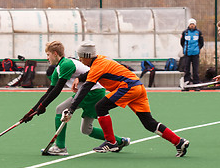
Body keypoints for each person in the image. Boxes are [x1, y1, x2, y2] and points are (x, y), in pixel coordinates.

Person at [61, 41, 189, 157]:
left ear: (86, 56)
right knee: (149, 123)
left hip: (128, 87)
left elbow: (85, 89)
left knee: (100, 107)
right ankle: (179, 142)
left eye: (80, 57)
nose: (80, 59)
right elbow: (90, 74)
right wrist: (80, 78)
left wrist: (71, 110)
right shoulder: (101, 60)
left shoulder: (98, 65)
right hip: (138, 87)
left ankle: (111, 142)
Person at [20, 41, 130, 155]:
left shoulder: (66, 64)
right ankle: (119, 141)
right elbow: (49, 92)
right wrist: (32, 111)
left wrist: (43, 106)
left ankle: (60, 147)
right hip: (96, 93)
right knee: (86, 130)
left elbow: (57, 90)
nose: (47, 58)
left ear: (55, 53)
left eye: (48, 55)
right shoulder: (57, 70)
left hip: (92, 92)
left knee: (60, 109)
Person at [180, 18, 204, 86]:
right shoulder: (185, 32)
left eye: (193, 24)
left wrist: (197, 49)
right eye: (191, 24)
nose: (192, 25)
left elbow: (201, 43)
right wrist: (185, 48)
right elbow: (182, 42)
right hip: (187, 53)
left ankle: (196, 82)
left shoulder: (198, 32)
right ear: (188, 25)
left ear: (195, 25)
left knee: (195, 69)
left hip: (195, 53)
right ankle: (186, 81)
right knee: (186, 68)